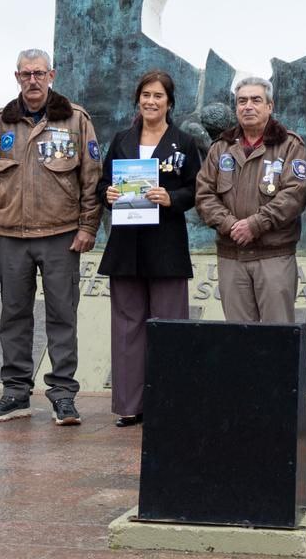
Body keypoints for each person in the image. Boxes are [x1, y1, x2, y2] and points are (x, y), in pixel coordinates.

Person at [0, 49, 101, 425]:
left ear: (51, 76)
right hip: (13, 236)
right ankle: (15, 393)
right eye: (26, 74)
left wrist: (88, 226)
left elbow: (91, 177)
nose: (33, 80)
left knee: (62, 316)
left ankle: (63, 395)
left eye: (39, 73)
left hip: (61, 236)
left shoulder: (75, 120)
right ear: (17, 77)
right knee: (13, 317)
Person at [96, 70, 202, 427]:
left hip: (166, 247)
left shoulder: (183, 143)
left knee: (169, 326)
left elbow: (196, 189)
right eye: (146, 95)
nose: (151, 101)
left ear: (169, 102)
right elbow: (103, 184)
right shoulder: (122, 140)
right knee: (127, 328)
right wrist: (109, 194)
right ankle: (130, 405)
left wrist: (171, 198)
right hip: (126, 248)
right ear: (137, 100)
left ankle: (169, 403)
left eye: (158, 96)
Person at [196, 77, 306, 323]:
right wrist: (230, 225)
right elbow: (204, 195)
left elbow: (294, 194)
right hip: (231, 256)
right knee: (239, 337)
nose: (248, 106)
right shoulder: (221, 147)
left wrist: (255, 224)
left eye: (256, 100)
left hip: (273, 256)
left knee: (277, 335)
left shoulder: (289, 145)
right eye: (242, 101)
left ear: (269, 106)